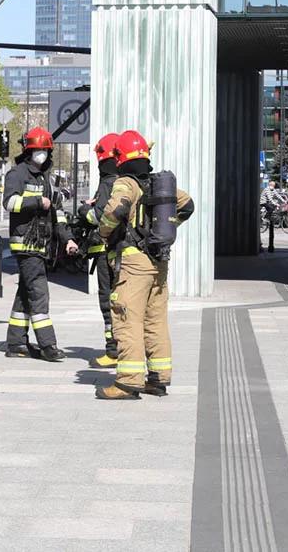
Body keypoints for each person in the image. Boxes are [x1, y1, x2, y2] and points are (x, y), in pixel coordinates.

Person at [95, 130, 195, 400]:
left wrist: (103, 233)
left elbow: (115, 211)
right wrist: (162, 229)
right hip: (158, 262)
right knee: (156, 321)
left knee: (127, 318)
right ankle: (158, 378)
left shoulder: (126, 183)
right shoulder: (158, 184)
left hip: (134, 263)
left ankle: (128, 382)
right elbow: (187, 206)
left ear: (121, 157)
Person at [2, 127, 76, 361]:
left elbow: (57, 213)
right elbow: (9, 202)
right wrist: (37, 201)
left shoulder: (46, 177)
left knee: (25, 293)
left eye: (45, 150)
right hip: (26, 243)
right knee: (39, 293)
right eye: (38, 150)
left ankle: (15, 343)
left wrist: (68, 238)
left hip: (42, 244)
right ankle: (48, 345)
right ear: (29, 151)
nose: (42, 154)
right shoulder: (17, 174)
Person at [79, 132, 121, 368]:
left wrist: (83, 214)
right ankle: (125, 346)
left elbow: (99, 216)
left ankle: (113, 350)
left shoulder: (108, 183)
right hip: (125, 251)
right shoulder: (129, 182)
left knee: (108, 301)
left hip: (107, 252)